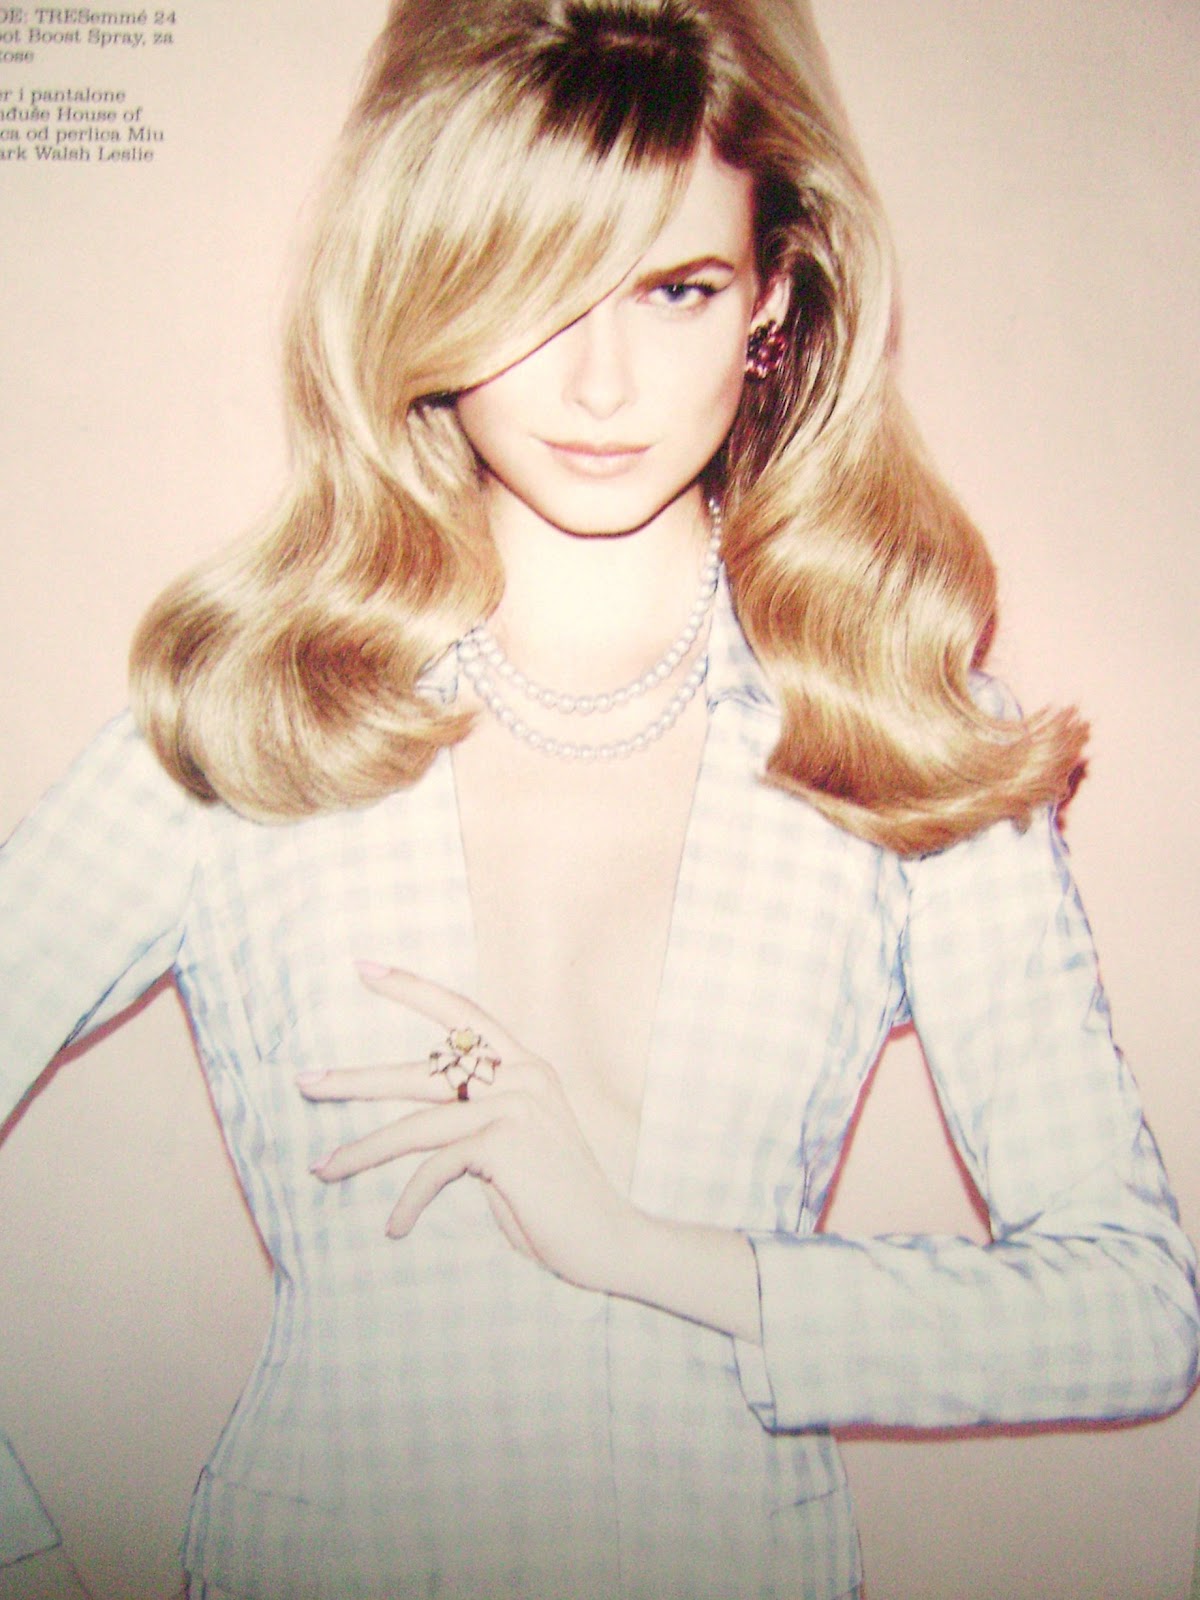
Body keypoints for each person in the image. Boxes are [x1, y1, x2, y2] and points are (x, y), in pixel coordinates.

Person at [1, 1, 1196, 1596]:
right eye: (532, 281)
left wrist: (649, 1257)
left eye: (673, 287)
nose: (600, 379)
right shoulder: (254, 722)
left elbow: (1131, 1306)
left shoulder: (893, 731)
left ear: (773, 296)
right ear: (424, 281)